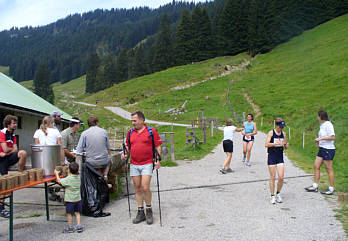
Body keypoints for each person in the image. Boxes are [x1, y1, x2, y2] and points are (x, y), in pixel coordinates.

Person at [121, 111, 162, 225]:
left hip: (147, 163)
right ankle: (140, 212)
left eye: (135, 121)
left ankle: (148, 209)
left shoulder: (151, 131)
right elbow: (128, 147)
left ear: (142, 120)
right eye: (132, 121)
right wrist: (124, 154)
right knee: (137, 188)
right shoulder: (130, 133)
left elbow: (158, 146)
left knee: (145, 187)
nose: (133, 123)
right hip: (134, 163)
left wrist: (158, 160)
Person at [0, 115, 27, 218]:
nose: (15, 124)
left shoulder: (13, 135)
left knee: (23, 153)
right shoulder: (2, 133)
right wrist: (6, 152)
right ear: (8, 124)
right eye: (14, 123)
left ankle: (20, 174)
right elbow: (6, 149)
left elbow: (14, 149)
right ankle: (2, 208)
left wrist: (6, 152)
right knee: (4, 184)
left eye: (16, 123)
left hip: (6, 157)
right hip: (1, 160)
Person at [34, 115, 64, 201]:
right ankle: (56, 191)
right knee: (59, 174)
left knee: (47, 177)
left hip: (41, 161)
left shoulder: (38, 132)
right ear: (51, 123)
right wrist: (63, 160)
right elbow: (60, 146)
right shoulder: (55, 131)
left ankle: (51, 192)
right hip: (53, 159)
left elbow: (37, 148)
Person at [305, 110, 336, 195]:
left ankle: (331, 188)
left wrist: (321, 139)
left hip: (328, 149)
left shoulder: (329, 125)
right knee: (316, 166)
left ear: (320, 117)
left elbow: (332, 137)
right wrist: (318, 142)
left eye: (318, 116)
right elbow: (322, 136)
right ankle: (315, 186)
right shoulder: (322, 125)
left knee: (329, 169)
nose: (317, 117)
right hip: (322, 149)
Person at [54, 162, 84, 233]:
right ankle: (79, 226)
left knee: (69, 213)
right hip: (78, 199)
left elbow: (59, 181)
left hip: (70, 200)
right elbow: (72, 174)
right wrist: (70, 167)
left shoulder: (68, 179)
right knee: (77, 213)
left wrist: (56, 174)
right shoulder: (78, 177)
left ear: (69, 171)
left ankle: (70, 227)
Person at [265, 118, 289, 204]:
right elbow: (266, 144)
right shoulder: (271, 133)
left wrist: (285, 144)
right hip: (272, 156)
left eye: (283, 127)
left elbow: (286, 146)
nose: (282, 129)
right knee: (272, 177)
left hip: (280, 157)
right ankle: (272, 195)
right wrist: (276, 143)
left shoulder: (284, 133)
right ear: (277, 126)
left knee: (281, 177)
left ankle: (278, 193)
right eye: (280, 127)